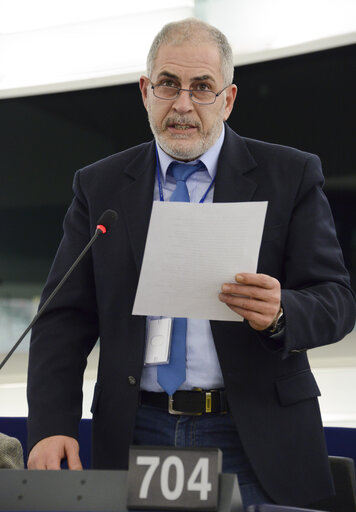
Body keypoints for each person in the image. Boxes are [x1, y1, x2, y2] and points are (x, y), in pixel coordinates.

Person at [27, 18, 355, 509]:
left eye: (202, 88)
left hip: (255, 433)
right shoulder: (99, 187)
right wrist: (51, 427)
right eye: (168, 85)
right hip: (139, 428)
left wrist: (282, 312)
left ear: (228, 98)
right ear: (145, 91)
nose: (183, 104)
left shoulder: (290, 175)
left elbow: (337, 301)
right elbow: (63, 319)